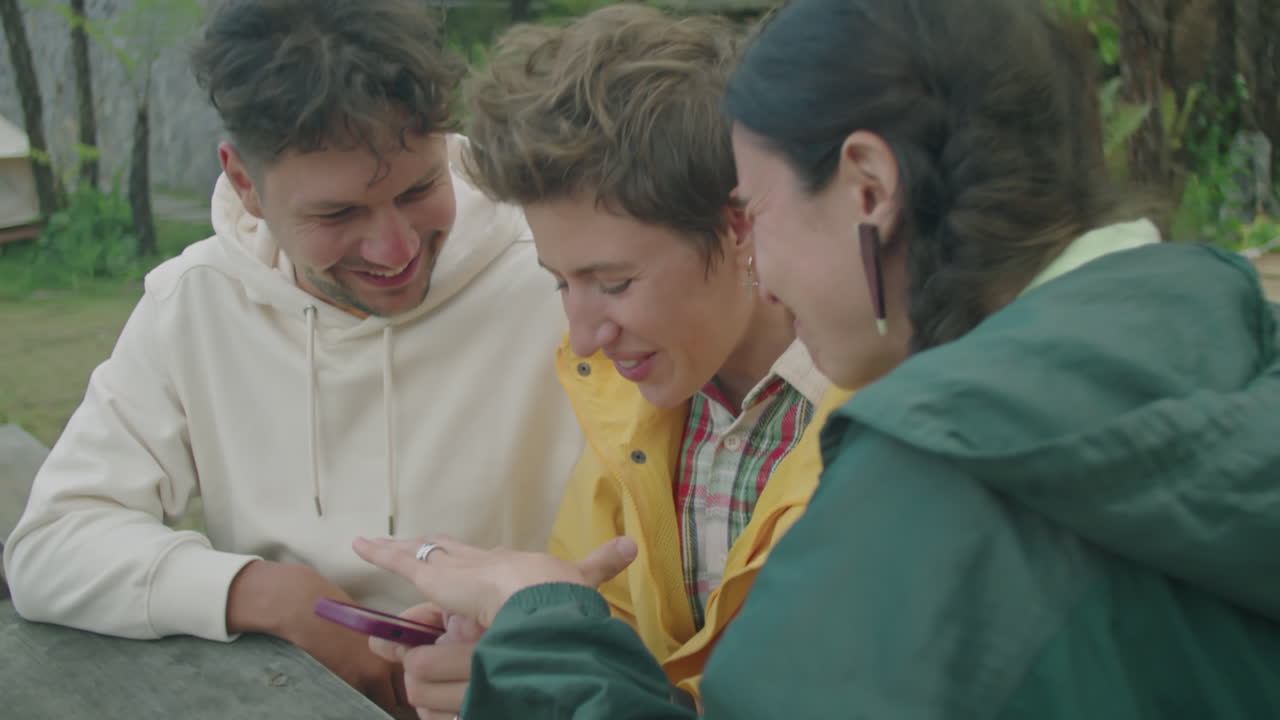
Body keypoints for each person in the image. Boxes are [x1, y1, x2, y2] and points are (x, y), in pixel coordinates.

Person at [353, 0, 1280, 716]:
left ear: (868, 189)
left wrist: (543, 634)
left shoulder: (925, 489)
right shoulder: (1221, 341)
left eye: (758, 209)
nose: (764, 266)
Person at [2, 0, 582, 712]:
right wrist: (268, 595)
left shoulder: (558, 271)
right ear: (245, 183)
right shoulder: (194, 303)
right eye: (337, 214)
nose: (395, 249)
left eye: (419, 189)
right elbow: (52, 544)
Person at [368, 6, 849, 715]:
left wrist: (557, 670)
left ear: (740, 225)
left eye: (615, 283)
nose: (584, 335)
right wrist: (514, 647)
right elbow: (619, 644)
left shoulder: (884, 422)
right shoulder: (626, 399)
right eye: (561, 283)